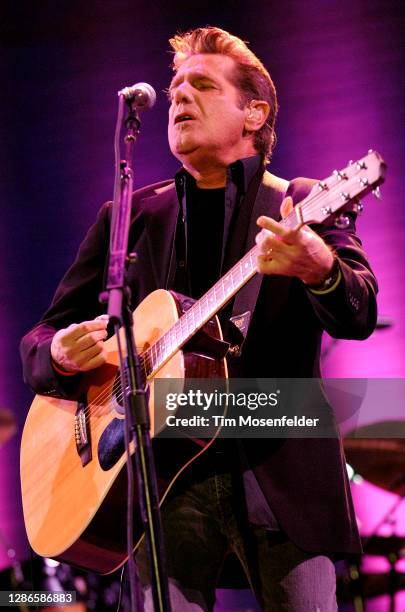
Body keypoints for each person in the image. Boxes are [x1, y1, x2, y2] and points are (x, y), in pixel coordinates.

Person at [20, 27, 377, 611]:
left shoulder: (301, 203)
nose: (179, 97)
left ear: (254, 113)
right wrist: (59, 352)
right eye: (175, 85)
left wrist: (320, 267)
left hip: (274, 465)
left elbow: (360, 312)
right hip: (162, 484)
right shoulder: (130, 218)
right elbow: (38, 339)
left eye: (203, 85)